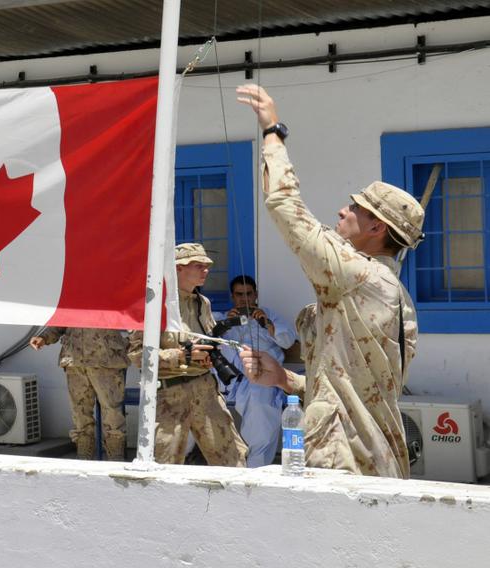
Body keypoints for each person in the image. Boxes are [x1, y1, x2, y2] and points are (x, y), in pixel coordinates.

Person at [236, 84, 424, 477]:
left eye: (355, 207)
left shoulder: (357, 274)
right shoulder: (396, 296)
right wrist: (285, 378)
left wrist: (273, 131)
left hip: (343, 459)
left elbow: (285, 207)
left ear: (376, 226)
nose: (343, 209)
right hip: (369, 458)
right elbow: (355, 390)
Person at [128, 243, 248, 466]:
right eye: (197, 265)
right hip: (170, 395)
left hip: (205, 390)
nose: (206, 270)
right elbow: (137, 355)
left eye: (207, 265)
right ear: (177, 269)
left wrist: (208, 352)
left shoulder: (203, 303)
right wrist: (182, 355)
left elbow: (207, 338)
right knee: (165, 468)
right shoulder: (154, 306)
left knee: (233, 461)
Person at [213, 275, 297, 467]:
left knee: (260, 402)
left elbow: (287, 341)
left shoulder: (269, 316)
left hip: (262, 378)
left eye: (248, 294)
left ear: (256, 295)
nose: (244, 299)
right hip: (229, 380)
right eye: (239, 295)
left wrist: (266, 324)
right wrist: (226, 323)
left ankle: (255, 467)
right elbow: (207, 339)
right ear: (233, 297)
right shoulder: (222, 318)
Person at [29, 328, 129, 460]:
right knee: (79, 412)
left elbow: (133, 319)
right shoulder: (70, 305)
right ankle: (83, 456)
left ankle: (116, 458)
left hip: (105, 358)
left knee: (112, 412)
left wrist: (130, 345)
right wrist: (45, 337)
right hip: (75, 360)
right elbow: (62, 320)